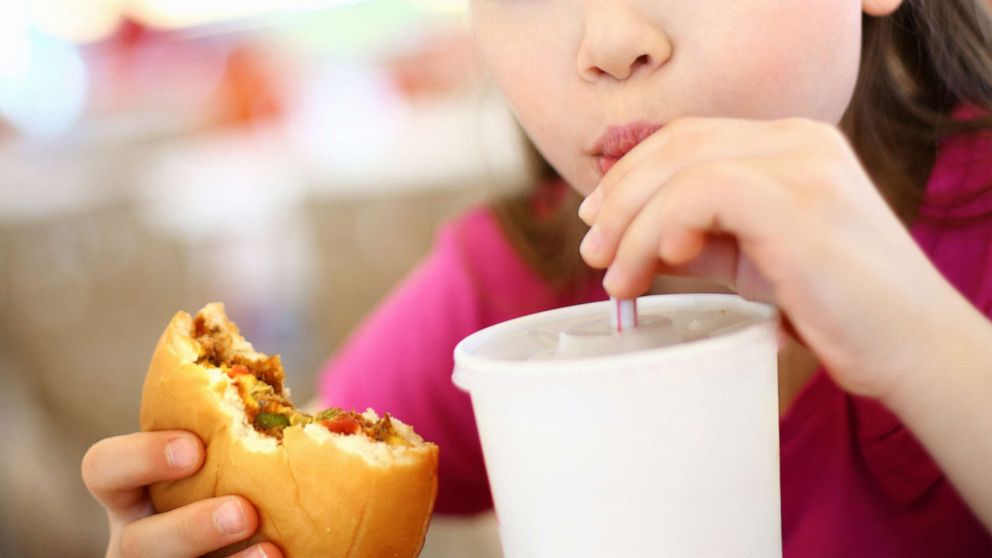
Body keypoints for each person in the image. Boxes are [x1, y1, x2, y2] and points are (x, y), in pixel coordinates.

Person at [82, 1, 992, 556]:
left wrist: (914, 332)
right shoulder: (506, 287)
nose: (610, 40)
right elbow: (308, 507)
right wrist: (214, 531)